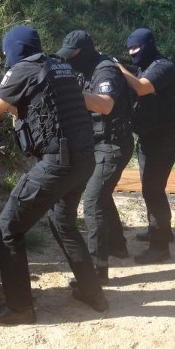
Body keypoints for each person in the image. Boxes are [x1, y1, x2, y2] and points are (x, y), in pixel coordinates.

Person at [0, 25, 108, 325]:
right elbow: (26, 106)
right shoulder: (57, 66)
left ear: (14, 49)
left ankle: (20, 307)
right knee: (63, 223)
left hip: (58, 162)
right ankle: (93, 293)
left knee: (8, 227)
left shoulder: (23, 69)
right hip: (83, 159)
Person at [56, 30, 133, 284]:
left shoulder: (105, 70)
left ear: (85, 52)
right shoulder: (85, 70)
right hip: (97, 143)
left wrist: (69, 92)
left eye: (73, 56)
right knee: (101, 195)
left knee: (92, 201)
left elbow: (105, 105)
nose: (69, 61)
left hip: (112, 145)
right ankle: (118, 245)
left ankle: (97, 271)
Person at [116, 28, 175, 264]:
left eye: (137, 48)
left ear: (149, 45)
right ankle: (161, 231)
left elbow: (141, 87)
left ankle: (160, 246)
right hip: (151, 136)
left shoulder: (163, 67)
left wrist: (117, 67)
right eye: (129, 50)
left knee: (153, 191)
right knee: (151, 188)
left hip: (164, 138)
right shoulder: (146, 65)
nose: (133, 53)